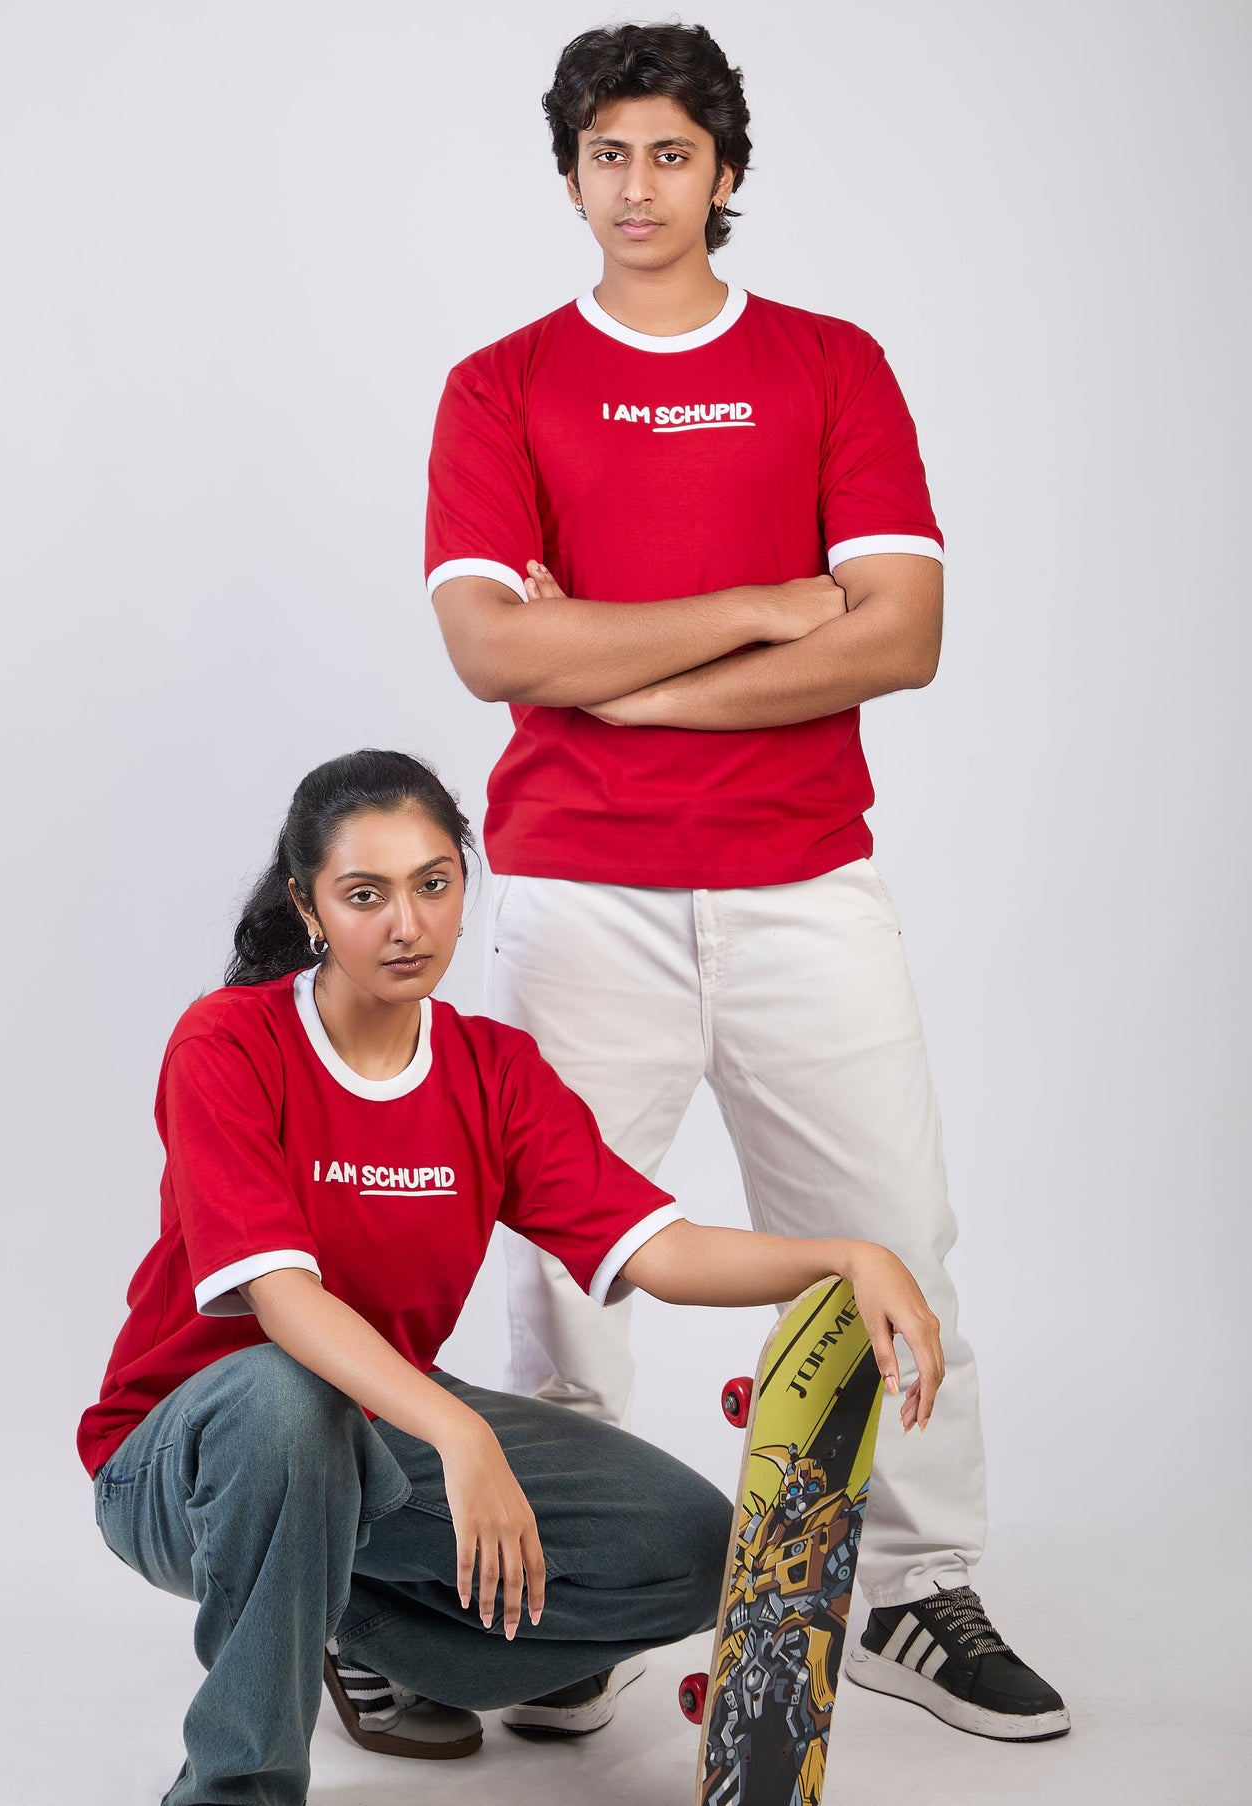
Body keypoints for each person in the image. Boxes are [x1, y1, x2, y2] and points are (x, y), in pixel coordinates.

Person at [423, 21, 1068, 1742]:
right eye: (608, 154)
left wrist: (616, 674)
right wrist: (772, 606)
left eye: (672, 153)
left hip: (803, 880)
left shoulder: (829, 366)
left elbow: (907, 635)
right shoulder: (502, 385)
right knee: (568, 1257)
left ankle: (916, 1589)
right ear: (570, 175)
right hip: (581, 889)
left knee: (897, 1237)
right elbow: (492, 639)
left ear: (725, 170)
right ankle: (557, 1602)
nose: (640, 186)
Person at [77, 748, 944, 1806]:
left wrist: (843, 1254)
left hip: (366, 1436)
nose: (407, 924)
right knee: (287, 1392)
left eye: (433, 884)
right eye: (365, 895)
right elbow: (281, 1302)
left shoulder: (491, 1072)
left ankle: (355, 1630)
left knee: (693, 1548)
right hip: (179, 1454)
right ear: (309, 908)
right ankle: (235, 1789)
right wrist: (458, 1429)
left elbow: (658, 1250)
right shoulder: (229, 1044)